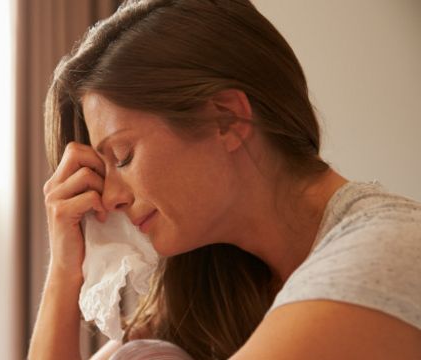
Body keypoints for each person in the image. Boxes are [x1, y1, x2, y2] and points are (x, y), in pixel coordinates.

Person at [28, 0, 421, 359]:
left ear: (226, 119)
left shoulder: (382, 252)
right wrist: (65, 270)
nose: (108, 197)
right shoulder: (213, 295)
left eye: (123, 156)